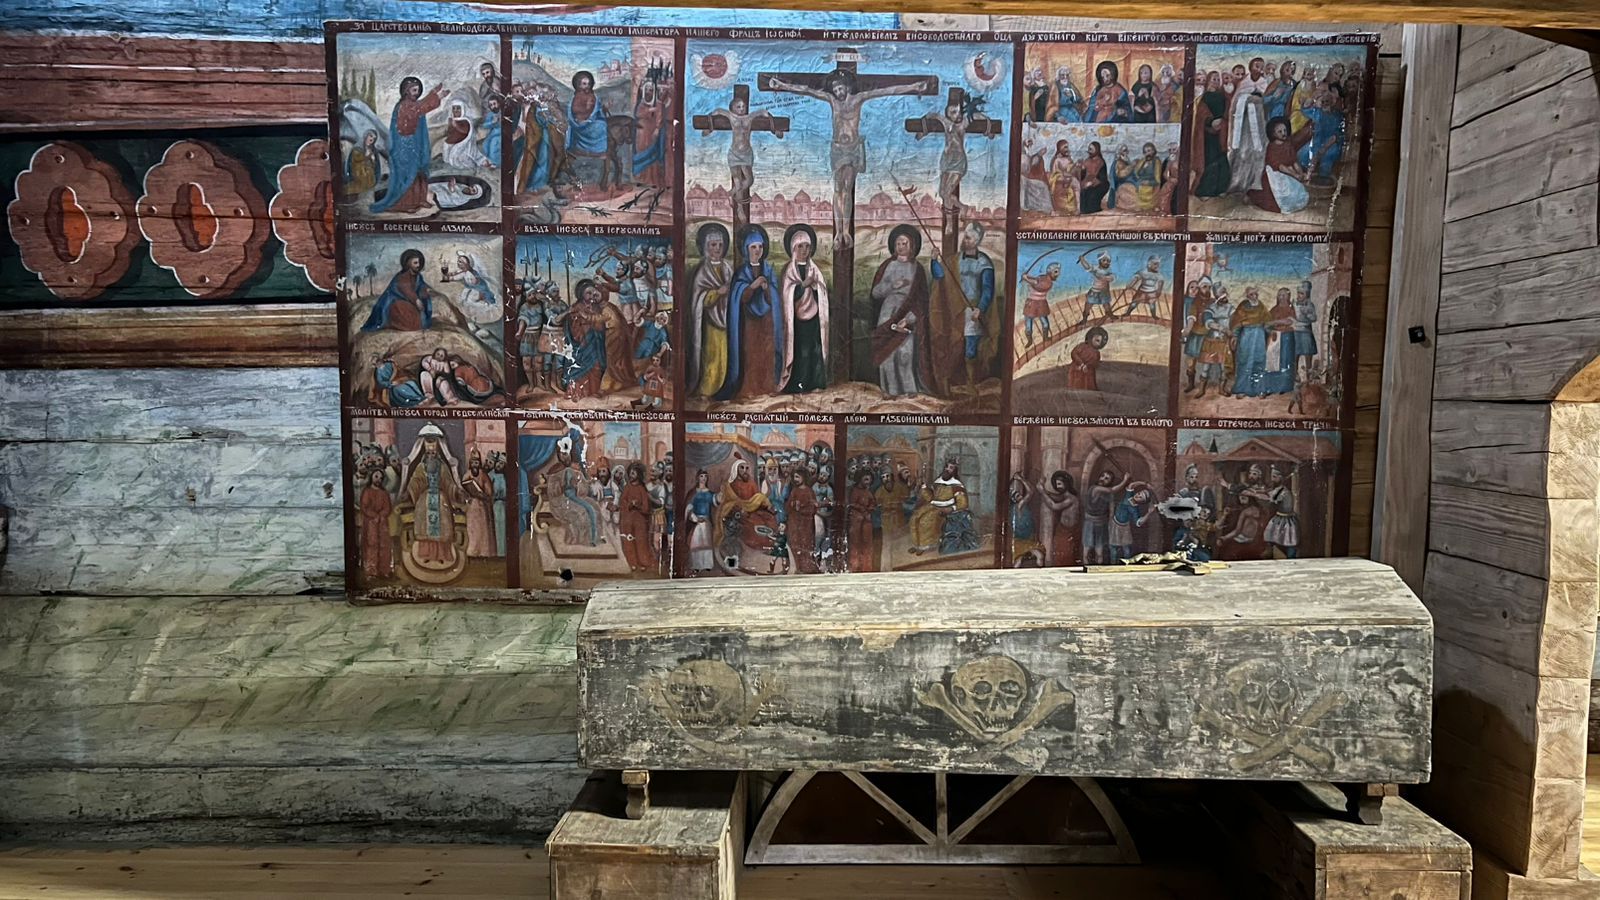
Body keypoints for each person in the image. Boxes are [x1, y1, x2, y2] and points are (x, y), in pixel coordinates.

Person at [714, 225, 780, 401]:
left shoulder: (768, 269)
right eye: (753, 247)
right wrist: (752, 286)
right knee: (750, 353)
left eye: (760, 247)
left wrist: (767, 289)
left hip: (766, 320)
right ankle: (749, 388)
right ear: (746, 249)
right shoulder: (741, 271)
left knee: (766, 352)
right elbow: (738, 295)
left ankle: (767, 386)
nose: (757, 250)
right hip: (748, 320)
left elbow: (775, 295)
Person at [931, 222, 996, 395]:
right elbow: (939, 276)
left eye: (968, 238)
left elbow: (988, 289)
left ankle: (970, 382)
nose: (965, 240)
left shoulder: (984, 262)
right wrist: (934, 261)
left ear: (977, 241)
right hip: (956, 309)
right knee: (953, 345)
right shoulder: (954, 260)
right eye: (965, 237)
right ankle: (946, 382)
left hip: (973, 310)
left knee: (971, 347)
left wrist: (981, 308)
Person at [869, 225, 933, 396]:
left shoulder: (917, 269)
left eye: (905, 243)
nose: (901, 247)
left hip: (908, 313)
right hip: (888, 313)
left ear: (912, 245)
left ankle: (909, 390)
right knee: (887, 354)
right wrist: (892, 286)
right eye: (898, 243)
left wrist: (910, 319)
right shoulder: (888, 266)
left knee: (905, 353)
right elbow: (875, 293)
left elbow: (922, 300)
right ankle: (890, 390)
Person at [372, 76, 448, 215]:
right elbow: (419, 109)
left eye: (418, 90)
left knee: (419, 172)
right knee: (409, 175)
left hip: (415, 145)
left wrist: (432, 94)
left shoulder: (413, 104)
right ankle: (406, 203)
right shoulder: (404, 105)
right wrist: (436, 97)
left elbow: (419, 107)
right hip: (404, 147)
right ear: (406, 91)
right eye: (414, 90)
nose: (416, 93)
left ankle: (419, 199)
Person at [402, 424, 464, 566]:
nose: (431, 455)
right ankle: (428, 555)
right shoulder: (421, 467)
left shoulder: (442, 467)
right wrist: (408, 492)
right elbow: (415, 482)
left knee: (443, 525)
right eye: (429, 453)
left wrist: (456, 490)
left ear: (437, 453)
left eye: (433, 453)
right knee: (425, 526)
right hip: (425, 499)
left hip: (441, 499)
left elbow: (448, 483)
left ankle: (442, 555)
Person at [778, 223, 829, 394]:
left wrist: (816, 288)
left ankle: (815, 383)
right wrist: (804, 285)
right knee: (801, 352)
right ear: (793, 248)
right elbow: (787, 294)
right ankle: (799, 384)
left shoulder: (814, 269)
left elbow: (821, 291)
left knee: (815, 351)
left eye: (807, 246)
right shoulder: (789, 271)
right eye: (800, 246)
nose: (804, 250)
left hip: (813, 316)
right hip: (796, 320)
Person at [688, 224, 733, 398]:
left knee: (725, 356)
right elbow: (700, 298)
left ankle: (723, 389)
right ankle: (707, 390)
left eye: (720, 245)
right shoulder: (703, 271)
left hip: (726, 319)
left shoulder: (728, 268)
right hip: (710, 322)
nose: (718, 249)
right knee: (711, 356)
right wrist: (717, 293)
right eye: (713, 245)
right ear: (706, 246)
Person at [362, 249, 440, 332]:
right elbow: (406, 290)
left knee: (419, 315)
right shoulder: (402, 276)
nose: (418, 265)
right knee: (403, 310)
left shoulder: (418, 276)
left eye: (419, 263)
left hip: (410, 302)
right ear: (408, 263)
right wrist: (416, 300)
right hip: (394, 302)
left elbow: (421, 286)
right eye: (415, 263)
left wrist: (426, 290)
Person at [1247, 116, 1313, 214]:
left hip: (1288, 173)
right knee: (1278, 198)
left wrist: (1300, 173)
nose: (1283, 133)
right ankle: (1252, 197)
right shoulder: (1272, 147)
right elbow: (1280, 167)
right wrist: (1295, 175)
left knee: (1298, 192)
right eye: (1280, 131)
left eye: (1285, 130)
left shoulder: (1288, 144)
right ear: (1273, 134)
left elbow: (1294, 162)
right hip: (1275, 175)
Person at [909, 459, 974, 556]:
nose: (947, 469)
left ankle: (924, 545)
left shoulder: (956, 485)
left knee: (925, 521)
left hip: (945, 508)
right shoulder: (938, 482)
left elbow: (962, 503)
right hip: (933, 505)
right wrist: (924, 488)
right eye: (946, 467)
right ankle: (916, 544)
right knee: (914, 518)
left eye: (951, 468)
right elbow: (930, 498)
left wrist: (950, 509)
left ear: (954, 471)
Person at [1192, 71, 1232, 198]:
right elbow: (1201, 115)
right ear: (1209, 81)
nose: (1216, 82)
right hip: (1208, 135)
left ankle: (1221, 188)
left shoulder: (1222, 96)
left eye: (1218, 79)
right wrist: (1211, 121)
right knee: (1210, 161)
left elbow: (1227, 111)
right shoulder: (1205, 97)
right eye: (1214, 79)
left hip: (1221, 133)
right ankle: (1206, 191)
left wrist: (1222, 121)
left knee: (1222, 159)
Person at [1082, 469, 1126, 565]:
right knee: (1086, 551)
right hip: (1089, 523)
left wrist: (1110, 523)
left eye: (1107, 478)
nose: (1103, 479)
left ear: (1110, 482)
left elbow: (1111, 511)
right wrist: (1125, 480)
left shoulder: (1109, 496)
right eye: (1102, 476)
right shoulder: (1095, 488)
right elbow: (1112, 490)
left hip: (1101, 524)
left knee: (1099, 552)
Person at [1037, 471, 1081, 567]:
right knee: (1060, 553)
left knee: (1066, 555)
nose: (1058, 487)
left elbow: (1054, 506)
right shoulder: (1063, 496)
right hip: (1062, 530)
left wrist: (1042, 491)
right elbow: (1054, 496)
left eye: (1060, 484)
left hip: (1069, 532)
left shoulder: (1071, 498)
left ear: (1066, 484)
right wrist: (1043, 489)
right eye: (1056, 484)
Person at [619, 462, 656, 573]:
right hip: (628, 520)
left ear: (638, 475)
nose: (631, 476)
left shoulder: (641, 489)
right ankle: (633, 563)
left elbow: (646, 507)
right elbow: (622, 502)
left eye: (633, 473)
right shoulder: (627, 488)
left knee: (641, 542)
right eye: (630, 473)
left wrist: (638, 505)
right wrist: (630, 504)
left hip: (640, 521)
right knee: (629, 541)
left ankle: (643, 562)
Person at [565, 70, 609, 162]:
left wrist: (603, 108)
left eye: (589, 84)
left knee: (603, 124)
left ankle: (598, 151)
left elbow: (597, 110)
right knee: (601, 126)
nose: (587, 86)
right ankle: (595, 151)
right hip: (579, 124)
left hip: (589, 121)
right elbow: (574, 111)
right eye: (584, 84)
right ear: (578, 85)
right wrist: (582, 119)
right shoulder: (577, 97)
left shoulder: (592, 96)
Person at [358, 469, 393, 578]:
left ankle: (384, 570)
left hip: (382, 523)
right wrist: (374, 516)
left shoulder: (384, 493)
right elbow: (364, 507)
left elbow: (387, 507)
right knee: (371, 545)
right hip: (370, 523)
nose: (378, 480)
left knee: (384, 546)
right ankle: (371, 571)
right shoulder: (367, 491)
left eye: (381, 478)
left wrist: (381, 516)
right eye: (376, 477)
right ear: (371, 477)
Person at [462, 449, 497, 559]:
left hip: (482, 506)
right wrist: (468, 494)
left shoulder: (483, 475)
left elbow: (489, 492)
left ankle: (484, 552)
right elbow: (463, 489)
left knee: (483, 530)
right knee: (472, 529)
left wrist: (482, 494)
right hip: (471, 506)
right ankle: (472, 551)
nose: (475, 465)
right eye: (473, 463)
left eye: (476, 462)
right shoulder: (467, 475)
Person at [1109, 481, 1155, 560]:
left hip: (1125, 528)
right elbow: (1131, 485)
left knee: (1126, 549)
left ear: (1141, 502)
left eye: (1141, 497)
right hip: (1115, 524)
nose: (1138, 495)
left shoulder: (1135, 509)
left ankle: (1127, 563)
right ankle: (1113, 563)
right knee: (1113, 548)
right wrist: (1144, 484)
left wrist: (1149, 513)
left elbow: (1138, 522)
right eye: (1139, 493)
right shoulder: (1129, 495)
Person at [785, 469, 819, 574]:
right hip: (795, 522)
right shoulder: (794, 491)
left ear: (803, 477)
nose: (795, 479)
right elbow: (788, 506)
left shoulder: (809, 491)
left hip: (806, 524)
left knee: (806, 544)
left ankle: (807, 567)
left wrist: (802, 509)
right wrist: (793, 505)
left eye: (797, 477)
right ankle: (798, 567)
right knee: (795, 543)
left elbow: (813, 507)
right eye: (794, 477)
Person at [1114, 142, 1163, 214]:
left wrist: (1148, 182)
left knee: (1130, 190)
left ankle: (1137, 206)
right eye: (1145, 152)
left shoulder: (1156, 162)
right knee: (1123, 187)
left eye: (1149, 151)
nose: (1147, 153)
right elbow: (1136, 172)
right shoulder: (1143, 161)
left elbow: (1158, 179)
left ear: (1153, 151)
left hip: (1150, 185)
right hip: (1139, 182)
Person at [1020, 262, 1059, 347]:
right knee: (1028, 325)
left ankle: (1045, 337)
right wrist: (1027, 277)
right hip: (1031, 303)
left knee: (1045, 323)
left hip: (1041, 304)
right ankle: (1029, 341)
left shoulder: (1048, 283)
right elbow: (1036, 280)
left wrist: (1026, 279)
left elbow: (1037, 285)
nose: (1057, 274)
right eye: (1055, 272)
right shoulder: (1043, 277)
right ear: (1050, 271)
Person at [846, 469, 878, 572]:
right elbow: (852, 503)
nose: (868, 481)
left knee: (867, 543)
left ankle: (866, 567)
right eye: (865, 479)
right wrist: (863, 510)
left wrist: (871, 508)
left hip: (866, 520)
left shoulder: (868, 491)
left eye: (869, 479)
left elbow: (873, 502)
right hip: (856, 520)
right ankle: (855, 566)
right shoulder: (855, 491)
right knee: (855, 543)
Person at [685, 469, 717, 573]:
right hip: (696, 522)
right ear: (697, 478)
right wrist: (695, 518)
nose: (703, 478)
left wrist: (720, 497)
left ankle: (707, 564)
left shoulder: (709, 493)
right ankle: (696, 565)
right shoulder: (693, 493)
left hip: (706, 521)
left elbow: (715, 502)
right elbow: (689, 507)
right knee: (696, 543)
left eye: (705, 476)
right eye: (701, 476)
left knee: (707, 543)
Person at [1009, 476, 1043, 567]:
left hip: (1025, 539)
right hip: (1022, 540)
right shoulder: (1019, 505)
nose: (1020, 496)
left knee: (1037, 556)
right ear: (1013, 499)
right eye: (1017, 495)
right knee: (1038, 556)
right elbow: (1031, 491)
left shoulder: (1017, 507)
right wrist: (1021, 479)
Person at [442, 102, 487, 170]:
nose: (455, 110)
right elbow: (450, 131)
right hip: (450, 143)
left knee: (457, 159)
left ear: (462, 109)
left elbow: (465, 131)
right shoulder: (451, 119)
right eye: (454, 108)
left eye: (458, 108)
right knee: (446, 158)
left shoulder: (465, 120)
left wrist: (456, 126)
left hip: (461, 145)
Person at [1291, 280, 1319, 382]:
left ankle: (1309, 373)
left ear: (1306, 294)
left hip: (1306, 332)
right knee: (1296, 353)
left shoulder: (1309, 305)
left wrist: (1307, 313)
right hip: (1296, 331)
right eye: (1298, 293)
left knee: (1308, 353)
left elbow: (1314, 318)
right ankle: (1295, 374)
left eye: (1302, 293)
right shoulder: (1294, 304)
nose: (1299, 295)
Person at [1078, 250, 1115, 323]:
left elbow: (1111, 277)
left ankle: (1110, 315)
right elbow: (1087, 267)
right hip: (1095, 291)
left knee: (1106, 305)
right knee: (1088, 305)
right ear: (1100, 261)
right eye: (1104, 260)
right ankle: (1084, 319)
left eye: (1108, 261)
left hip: (1104, 292)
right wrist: (1082, 260)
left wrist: (1105, 277)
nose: (1106, 262)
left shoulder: (1108, 270)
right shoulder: (1095, 268)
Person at [1125, 254, 1166, 318]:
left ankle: (1154, 316)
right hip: (1141, 291)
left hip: (1152, 292)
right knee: (1134, 303)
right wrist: (1130, 284)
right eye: (1155, 264)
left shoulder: (1159, 275)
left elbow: (1160, 284)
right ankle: (1127, 313)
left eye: (1158, 264)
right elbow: (1136, 278)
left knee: (1152, 305)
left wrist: (1158, 292)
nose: (1157, 266)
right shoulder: (1143, 272)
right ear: (1149, 264)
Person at [1069, 327, 1108, 391]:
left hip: (1088, 371)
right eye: (1097, 340)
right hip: (1077, 368)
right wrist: (1081, 364)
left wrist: (1087, 366)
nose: (1098, 344)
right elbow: (1074, 353)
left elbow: (1095, 362)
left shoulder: (1096, 353)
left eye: (1100, 342)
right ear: (1091, 337)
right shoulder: (1082, 346)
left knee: (1088, 385)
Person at [1075, 141, 1110, 213]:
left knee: (1091, 194)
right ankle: (1084, 210)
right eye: (1089, 149)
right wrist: (1082, 169)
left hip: (1100, 184)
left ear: (1096, 150)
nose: (1089, 151)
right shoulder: (1087, 161)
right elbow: (1082, 175)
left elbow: (1102, 177)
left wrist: (1091, 183)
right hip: (1087, 182)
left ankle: (1093, 209)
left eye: (1091, 149)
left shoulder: (1100, 162)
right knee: (1083, 192)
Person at [1048, 140, 1079, 215]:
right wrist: (1063, 176)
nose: (1067, 149)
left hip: (1069, 179)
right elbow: (1054, 174)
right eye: (1065, 147)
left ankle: (1078, 208)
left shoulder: (1069, 159)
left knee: (1076, 183)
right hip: (1059, 180)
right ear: (1060, 148)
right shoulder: (1056, 160)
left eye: (1067, 147)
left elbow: (1072, 171)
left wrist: (1076, 166)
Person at [345, 130, 380, 196]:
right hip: (358, 171)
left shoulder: (372, 149)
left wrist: (373, 159)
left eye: (374, 138)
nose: (371, 139)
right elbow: (357, 158)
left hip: (368, 172)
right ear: (366, 136)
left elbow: (375, 164)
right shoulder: (357, 147)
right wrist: (367, 156)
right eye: (370, 136)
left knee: (370, 178)